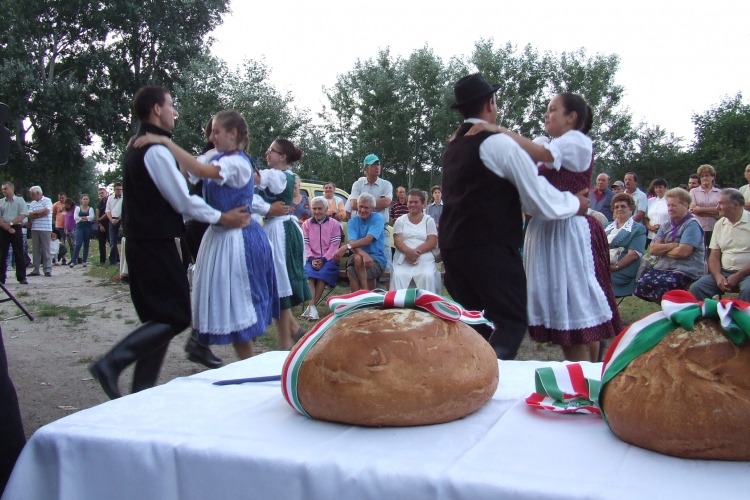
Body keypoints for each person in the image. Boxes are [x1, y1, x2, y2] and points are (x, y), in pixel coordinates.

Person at [89, 87, 251, 400]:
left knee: (158, 318)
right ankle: (111, 363)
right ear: (155, 110)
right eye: (170, 106)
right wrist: (223, 217)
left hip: (139, 240)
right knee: (176, 316)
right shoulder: (155, 151)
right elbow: (184, 202)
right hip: (154, 242)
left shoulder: (136, 145)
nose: (174, 112)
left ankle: (141, 393)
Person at [441, 73, 589, 360]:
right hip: (488, 247)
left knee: (479, 323)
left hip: (452, 249)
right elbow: (537, 200)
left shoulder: (453, 147)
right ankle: (488, 384)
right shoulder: (497, 143)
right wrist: (576, 203)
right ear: (490, 103)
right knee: (511, 319)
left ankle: (472, 381)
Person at [467, 91, 621, 362]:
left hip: (568, 232)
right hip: (546, 231)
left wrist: (496, 129)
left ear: (572, 117)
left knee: (574, 308)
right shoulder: (549, 144)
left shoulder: (576, 142)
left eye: (553, 109)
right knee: (567, 306)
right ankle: (588, 369)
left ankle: (586, 373)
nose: (546, 114)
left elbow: (542, 153)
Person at [135, 109, 279, 361]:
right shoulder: (220, 156)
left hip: (239, 240)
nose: (211, 136)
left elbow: (201, 172)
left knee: (240, 307)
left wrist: (165, 141)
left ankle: (248, 364)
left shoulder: (235, 162)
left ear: (233, 133)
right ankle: (208, 347)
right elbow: (191, 168)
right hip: (220, 237)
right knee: (229, 306)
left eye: (216, 131)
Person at [254, 138, 310, 350]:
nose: (267, 153)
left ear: (282, 157)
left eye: (272, 150)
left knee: (278, 287)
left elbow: (254, 178)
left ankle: (285, 345)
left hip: (279, 232)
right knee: (276, 286)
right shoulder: (283, 175)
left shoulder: (277, 176)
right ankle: (294, 332)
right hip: (278, 228)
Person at [634, 188, 705, 302]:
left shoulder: (692, 225)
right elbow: (652, 249)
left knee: (665, 284)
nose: (670, 209)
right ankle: (668, 310)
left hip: (686, 269)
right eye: (668, 206)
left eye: (674, 205)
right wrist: (674, 245)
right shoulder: (666, 225)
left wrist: (662, 249)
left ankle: (674, 311)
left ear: (685, 205)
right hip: (663, 267)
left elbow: (683, 252)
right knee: (643, 282)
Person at [690, 189, 750, 302]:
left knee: (748, 290)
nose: (717, 207)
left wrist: (739, 275)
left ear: (735, 205)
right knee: (698, 287)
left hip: (747, 273)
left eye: (721, 203)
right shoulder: (719, 225)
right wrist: (718, 276)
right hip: (724, 272)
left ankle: (742, 318)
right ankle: (710, 318)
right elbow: (714, 256)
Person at [391, 189, 440, 294]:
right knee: (398, 275)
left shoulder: (429, 221)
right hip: (403, 258)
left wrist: (414, 253)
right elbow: (397, 240)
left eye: (416, 202)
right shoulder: (400, 220)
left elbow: (432, 242)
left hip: (424, 259)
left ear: (423, 204)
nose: (412, 204)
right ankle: (399, 306)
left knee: (428, 276)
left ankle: (427, 305)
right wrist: (408, 252)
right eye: (410, 202)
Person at [301, 196, 342, 320]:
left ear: (325, 209)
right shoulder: (306, 224)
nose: (317, 212)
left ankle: (311, 308)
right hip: (311, 258)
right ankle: (312, 308)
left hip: (328, 259)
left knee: (323, 274)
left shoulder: (334, 224)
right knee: (309, 275)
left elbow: (335, 245)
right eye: (314, 209)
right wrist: (311, 259)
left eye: (320, 208)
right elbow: (305, 244)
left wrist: (323, 259)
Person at [335, 192, 386, 291]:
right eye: (360, 206)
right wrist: (364, 254)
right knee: (358, 259)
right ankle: (366, 295)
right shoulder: (352, 222)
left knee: (351, 270)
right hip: (358, 257)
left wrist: (346, 247)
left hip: (377, 259)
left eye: (366, 207)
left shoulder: (377, 218)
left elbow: (368, 240)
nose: (362, 210)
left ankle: (359, 299)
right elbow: (353, 242)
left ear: (372, 208)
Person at [350, 154, 393, 270]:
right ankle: (367, 288)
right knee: (362, 263)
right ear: (365, 168)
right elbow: (353, 204)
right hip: (361, 230)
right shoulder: (357, 184)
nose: (377, 167)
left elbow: (386, 203)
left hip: (381, 230)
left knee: (388, 264)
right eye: (373, 165)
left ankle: (389, 288)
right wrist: (375, 204)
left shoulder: (386, 184)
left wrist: (363, 204)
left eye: (378, 164)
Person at [605, 193, 646, 297]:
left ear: (631, 210)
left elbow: (634, 255)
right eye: (616, 207)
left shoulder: (637, 229)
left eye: (623, 206)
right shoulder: (606, 226)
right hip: (602, 265)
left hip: (621, 270)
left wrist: (615, 267)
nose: (619, 209)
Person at [689, 164, 721, 258]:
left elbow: (721, 211)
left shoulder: (719, 192)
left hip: (714, 227)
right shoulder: (694, 192)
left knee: (713, 254)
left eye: (707, 175)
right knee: (699, 254)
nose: (704, 178)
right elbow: (693, 209)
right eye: (702, 176)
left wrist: (700, 210)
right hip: (699, 228)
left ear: (713, 177)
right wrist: (713, 212)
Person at [0, 182, 28, 284]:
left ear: (12, 189)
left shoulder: (20, 201)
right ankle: (1, 277)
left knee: (18, 252)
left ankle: (21, 277)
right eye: (3, 189)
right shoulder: (1, 202)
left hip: (16, 227)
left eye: (6, 189)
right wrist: (6, 227)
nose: (4, 191)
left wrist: (11, 224)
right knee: (2, 253)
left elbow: (23, 214)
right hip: (3, 228)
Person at [27, 185, 53, 277]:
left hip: (45, 228)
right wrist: (39, 214)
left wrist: (35, 214)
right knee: (35, 249)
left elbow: (46, 212)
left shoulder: (47, 200)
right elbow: (29, 215)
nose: (31, 196)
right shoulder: (32, 203)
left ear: (38, 193)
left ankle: (47, 269)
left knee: (46, 249)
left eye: (32, 194)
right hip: (35, 228)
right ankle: (36, 269)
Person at [70, 194, 94, 268]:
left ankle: (84, 261)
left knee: (86, 244)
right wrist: (85, 218)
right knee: (78, 244)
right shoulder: (77, 208)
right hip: (80, 228)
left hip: (88, 228)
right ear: (81, 200)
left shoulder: (91, 209)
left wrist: (82, 218)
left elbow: (91, 217)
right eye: (84, 199)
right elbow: (76, 217)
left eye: (86, 199)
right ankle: (73, 261)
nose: (85, 200)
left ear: (88, 200)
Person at [644, 178, 669, 245]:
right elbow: (645, 217)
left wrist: (662, 228)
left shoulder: (670, 201)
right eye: (656, 188)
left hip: (667, 234)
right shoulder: (650, 201)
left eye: (660, 187)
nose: (658, 190)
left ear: (666, 188)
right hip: (651, 234)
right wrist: (649, 227)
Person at [106, 182, 123, 265]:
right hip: (112, 219)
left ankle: (122, 260)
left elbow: (125, 210)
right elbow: (107, 210)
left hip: (121, 220)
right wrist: (111, 219)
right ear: (114, 189)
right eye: (118, 189)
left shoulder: (124, 197)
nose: (119, 191)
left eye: (121, 189)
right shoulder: (110, 198)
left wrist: (119, 218)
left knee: (123, 240)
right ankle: (113, 260)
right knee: (112, 241)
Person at [95, 187, 110, 264]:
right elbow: (97, 214)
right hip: (101, 224)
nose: (101, 194)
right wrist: (100, 224)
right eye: (99, 193)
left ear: (106, 192)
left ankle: (115, 259)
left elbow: (108, 213)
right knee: (101, 243)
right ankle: (102, 260)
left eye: (102, 193)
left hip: (109, 223)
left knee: (111, 242)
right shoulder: (99, 204)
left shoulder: (110, 201)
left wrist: (99, 219)